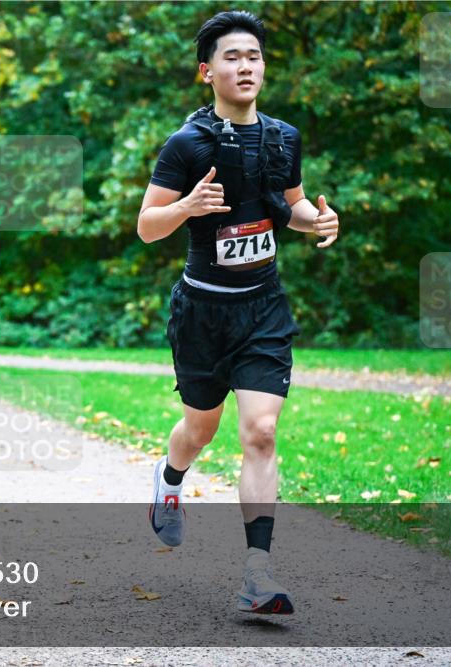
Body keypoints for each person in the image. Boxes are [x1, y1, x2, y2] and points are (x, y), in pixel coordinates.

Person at [137, 10, 340, 615]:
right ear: (208, 71)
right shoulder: (187, 144)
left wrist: (317, 221)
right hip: (203, 311)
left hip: (263, 308)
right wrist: (189, 205)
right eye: (231, 56)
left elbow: (292, 207)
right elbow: (148, 227)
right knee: (201, 428)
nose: (245, 65)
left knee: (262, 430)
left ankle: (258, 570)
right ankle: (170, 479)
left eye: (253, 55)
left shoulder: (283, 137)